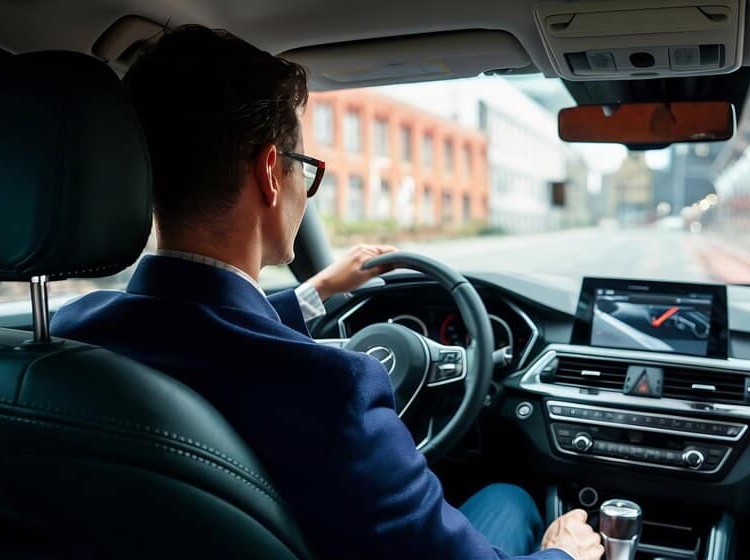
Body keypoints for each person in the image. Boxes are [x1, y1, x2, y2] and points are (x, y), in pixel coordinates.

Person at [51, 24, 603, 560]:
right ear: (271, 171)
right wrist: (565, 554)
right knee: (509, 497)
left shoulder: (70, 336)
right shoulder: (335, 394)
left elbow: (199, 328)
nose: (304, 188)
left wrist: (315, 293)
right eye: (304, 167)